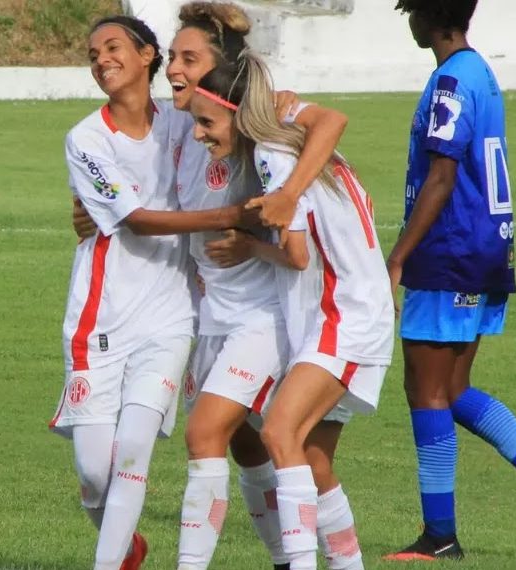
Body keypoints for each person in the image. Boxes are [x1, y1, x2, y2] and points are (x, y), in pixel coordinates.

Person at [381, 0, 516, 562]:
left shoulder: (452, 80)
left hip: (448, 249)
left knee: (424, 390)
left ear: (425, 17)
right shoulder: (478, 70)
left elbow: (443, 173)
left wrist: (399, 256)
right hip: (483, 249)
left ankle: (440, 536)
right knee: (452, 391)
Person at [49, 16, 260, 570]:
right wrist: (233, 216)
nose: (101, 60)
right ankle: (128, 545)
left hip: (169, 319)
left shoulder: (186, 122)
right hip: (100, 318)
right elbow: (137, 220)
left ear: (147, 56)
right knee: (96, 472)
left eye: (112, 47)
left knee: (135, 451)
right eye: (93, 53)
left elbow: (240, 108)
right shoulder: (86, 138)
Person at [189, 52, 395, 570]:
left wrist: (251, 246)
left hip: (342, 315)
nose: (198, 135)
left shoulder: (272, 158)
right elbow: (331, 123)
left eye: (205, 122)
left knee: (279, 433)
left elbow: (298, 255)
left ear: (237, 113)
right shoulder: (292, 135)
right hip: (354, 310)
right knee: (314, 462)